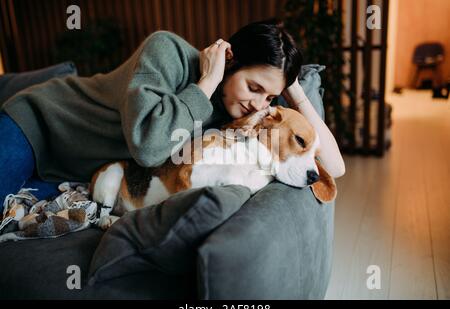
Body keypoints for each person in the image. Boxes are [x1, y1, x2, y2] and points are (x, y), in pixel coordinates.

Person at [0, 18, 345, 213]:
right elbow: (150, 149)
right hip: (39, 125)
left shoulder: (237, 122)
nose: (259, 105)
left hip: (70, 170)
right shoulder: (166, 50)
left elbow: (336, 166)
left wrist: (294, 89)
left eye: (269, 97)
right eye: (254, 87)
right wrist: (208, 81)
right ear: (231, 61)